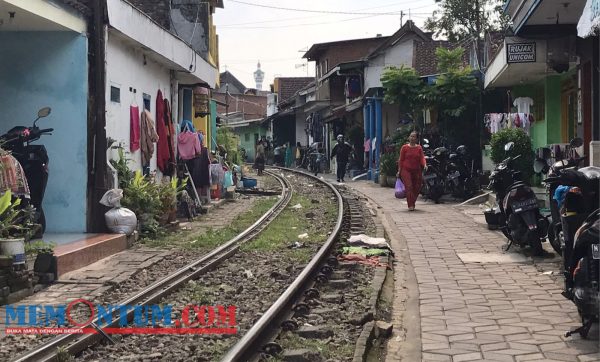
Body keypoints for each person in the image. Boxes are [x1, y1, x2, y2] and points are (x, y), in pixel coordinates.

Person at [396, 131, 427, 211]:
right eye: (411, 136)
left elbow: (422, 158)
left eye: (414, 137)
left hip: (417, 171)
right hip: (406, 170)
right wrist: (399, 171)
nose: (412, 138)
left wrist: (425, 165)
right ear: (409, 137)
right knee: (409, 186)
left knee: (417, 187)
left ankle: (412, 202)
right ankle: (410, 205)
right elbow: (401, 160)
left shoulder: (419, 148)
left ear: (416, 139)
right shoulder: (404, 147)